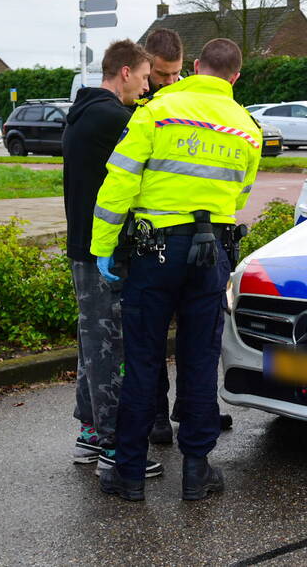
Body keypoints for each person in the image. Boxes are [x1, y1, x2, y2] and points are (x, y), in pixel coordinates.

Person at [92, 38, 261, 501]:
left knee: (143, 360)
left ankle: (129, 473)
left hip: (155, 252)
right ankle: (196, 471)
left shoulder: (157, 112)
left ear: (195, 67)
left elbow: (119, 182)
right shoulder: (247, 128)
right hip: (212, 255)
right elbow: (240, 195)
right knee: (200, 360)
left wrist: (103, 248)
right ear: (235, 77)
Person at [61, 39, 163, 479]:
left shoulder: (85, 111)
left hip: (83, 247)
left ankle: (89, 432)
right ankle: (115, 446)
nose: (146, 88)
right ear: (125, 72)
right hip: (105, 250)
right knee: (109, 346)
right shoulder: (113, 119)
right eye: (144, 77)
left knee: (91, 344)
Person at [137, 28, 236, 446]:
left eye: (175, 74)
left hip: (201, 235)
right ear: (144, 67)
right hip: (154, 235)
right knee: (152, 339)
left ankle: (196, 410)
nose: (167, 81)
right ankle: (158, 415)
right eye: (161, 74)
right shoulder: (140, 104)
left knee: (199, 338)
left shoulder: (192, 101)